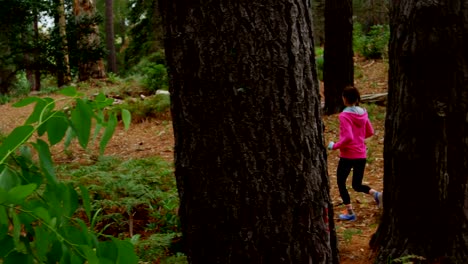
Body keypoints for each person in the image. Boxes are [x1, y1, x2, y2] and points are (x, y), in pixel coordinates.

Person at [328, 86, 382, 221]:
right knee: (356, 185)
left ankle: (350, 212)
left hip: (347, 156)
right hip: (361, 155)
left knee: (341, 182)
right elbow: (370, 132)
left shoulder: (344, 115)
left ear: (344, 99)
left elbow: (348, 137)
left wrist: (334, 146)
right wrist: (359, 139)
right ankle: (376, 195)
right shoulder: (363, 113)